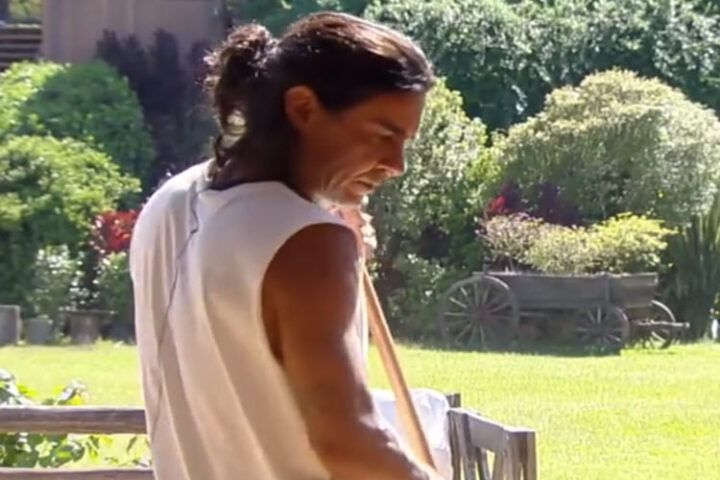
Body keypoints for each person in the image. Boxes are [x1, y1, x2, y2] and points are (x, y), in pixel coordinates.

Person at [130, 11, 441, 480]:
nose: (396, 164)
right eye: (383, 134)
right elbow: (349, 443)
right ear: (303, 108)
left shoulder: (170, 206)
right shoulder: (310, 241)